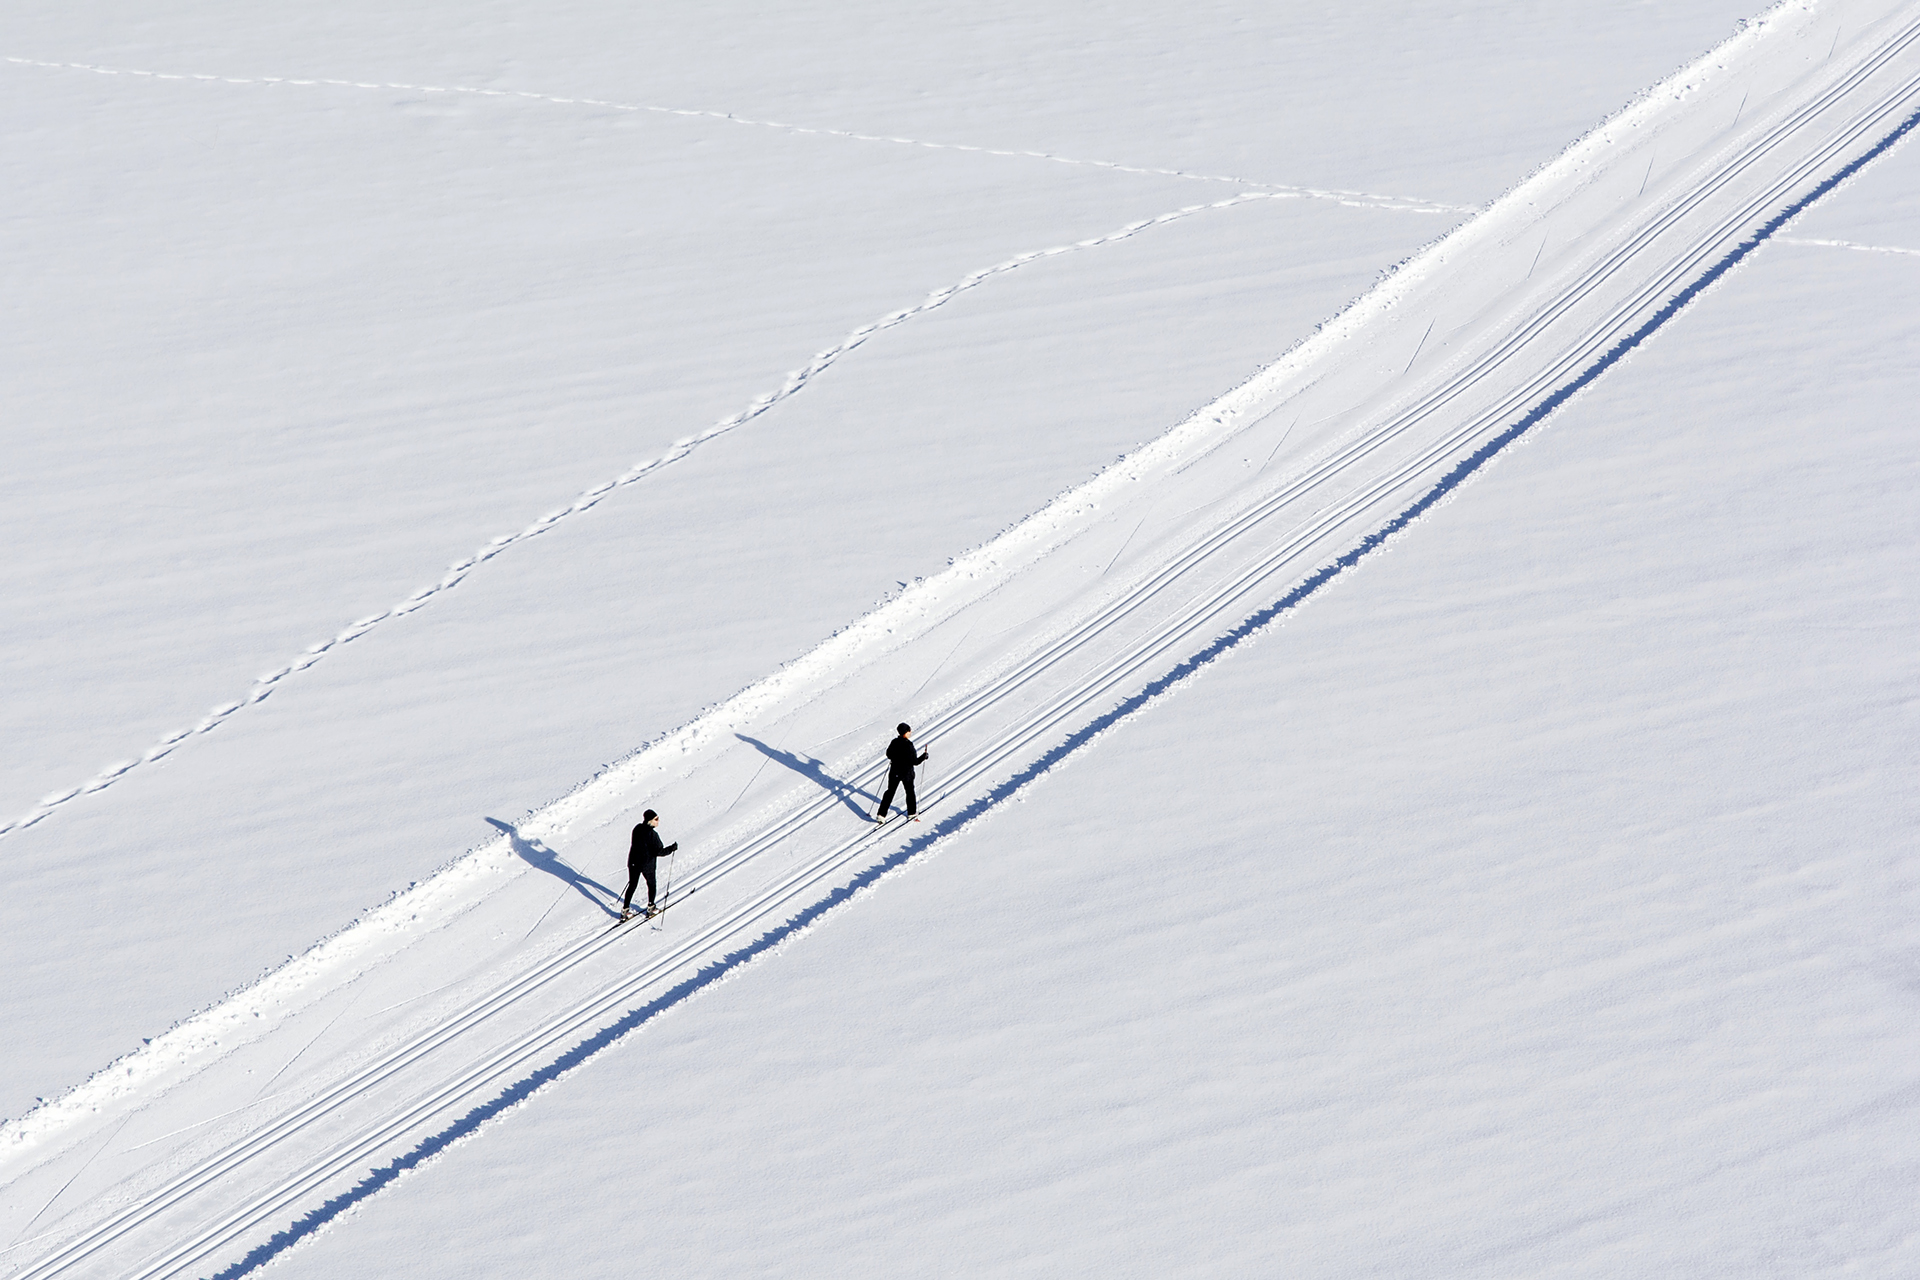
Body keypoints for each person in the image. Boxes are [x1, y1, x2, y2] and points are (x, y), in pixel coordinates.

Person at [621, 810, 678, 920]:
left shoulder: (637, 828)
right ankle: (651, 907)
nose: (658, 821)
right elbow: (659, 851)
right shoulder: (652, 834)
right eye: (656, 819)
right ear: (650, 821)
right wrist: (672, 848)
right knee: (651, 884)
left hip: (633, 862)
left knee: (632, 885)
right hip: (647, 864)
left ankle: (625, 910)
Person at [874, 723, 928, 822]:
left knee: (890, 792)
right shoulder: (908, 745)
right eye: (909, 731)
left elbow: (888, 754)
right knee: (910, 792)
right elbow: (914, 761)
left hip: (894, 771)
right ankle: (911, 813)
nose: (910, 733)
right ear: (905, 732)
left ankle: (881, 814)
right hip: (906, 773)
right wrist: (924, 757)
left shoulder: (894, 742)